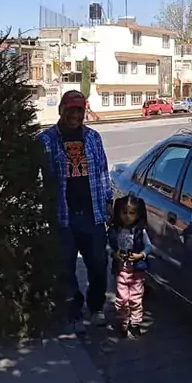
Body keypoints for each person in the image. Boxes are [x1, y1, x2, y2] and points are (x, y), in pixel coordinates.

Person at [38, 90, 112, 334]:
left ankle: (96, 305)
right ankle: (73, 310)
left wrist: (108, 204)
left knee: (99, 265)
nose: (75, 115)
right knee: (65, 268)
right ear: (60, 110)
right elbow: (38, 178)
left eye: (79, 110)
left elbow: (102, 173)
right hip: (64, 216)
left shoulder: (93, 138)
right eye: (70, 109)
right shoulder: (46, 140)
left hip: (93, 215)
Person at [108, 195, 153, 338]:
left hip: (137, 272)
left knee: (136, 298)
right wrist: (114, 254)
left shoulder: (140, 232)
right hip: (122, 270)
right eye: (124, 212)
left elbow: (149, 247)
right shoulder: (116, 231)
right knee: (122, 298)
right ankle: (123, 320)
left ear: (138, 214)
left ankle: (135, 323)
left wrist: (141, 255)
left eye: (131, 213)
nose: (127, 216)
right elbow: (108, 246)